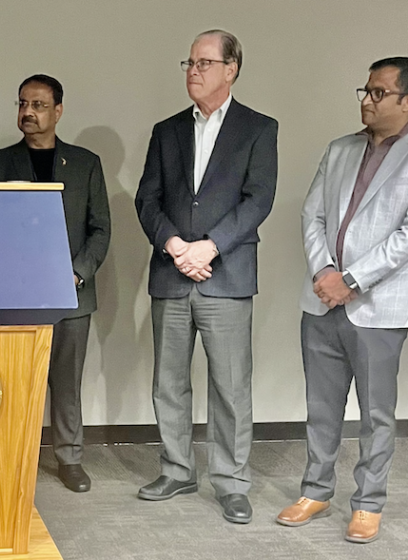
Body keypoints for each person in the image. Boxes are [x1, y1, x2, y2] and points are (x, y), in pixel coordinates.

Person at [134, 30, 278, 524]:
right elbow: (146, 200)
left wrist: (209, 246)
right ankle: (177, 469)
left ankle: (232, 482)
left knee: (231, 387)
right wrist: (176, 246)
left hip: (227, 274)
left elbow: (258, 199)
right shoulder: (166, 129)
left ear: (231, 68)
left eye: (204, 62)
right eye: (189, 63)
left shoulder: (259, 128)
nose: (193, 71)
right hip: (172, 274)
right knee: (168, 383)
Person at [276, 57, 408, 544]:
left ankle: (369, 502)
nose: (366, 101)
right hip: (322, 301)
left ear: (406, 101)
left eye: (378, 93)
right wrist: (324, 272)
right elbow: (313, 217)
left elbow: (405, 236)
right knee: (321, 406)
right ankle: (316, 490)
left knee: (376, 413)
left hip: (378, 307)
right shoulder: (339, 150)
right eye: (365, 91)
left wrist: (351, 278)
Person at [0, 75, 110, 493]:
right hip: (14, 295)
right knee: (14, 380)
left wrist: (77, 272)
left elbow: (100, 230)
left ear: (58, 111)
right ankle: (13, 455)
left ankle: (69, 457)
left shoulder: (86, 163)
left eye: (38, 105)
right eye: (22, 103)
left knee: (66, 382)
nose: (28, 113)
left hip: (71, 293)